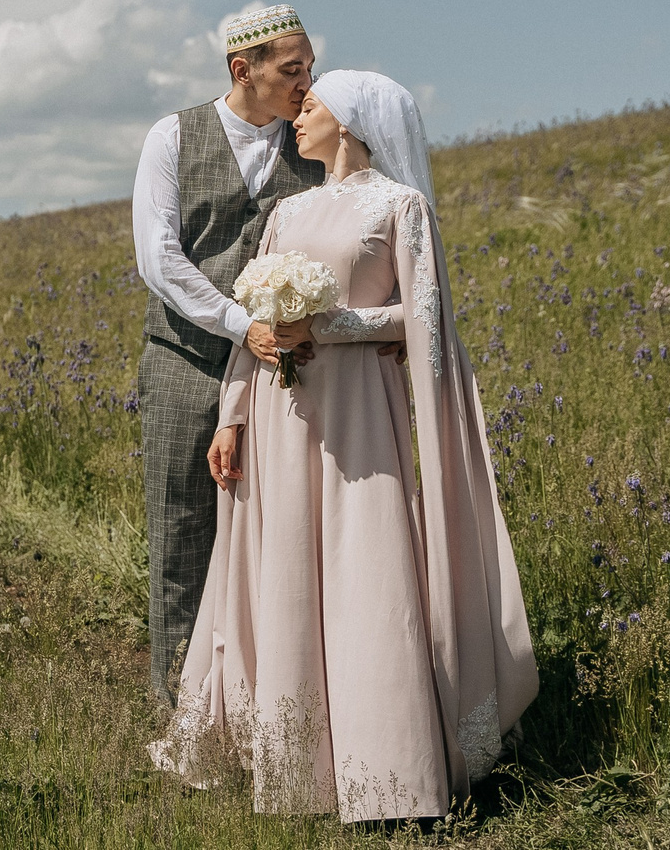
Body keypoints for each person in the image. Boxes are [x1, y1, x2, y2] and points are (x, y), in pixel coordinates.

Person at [150, 69, 540, 822]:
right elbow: (254, 323)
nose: (300, 113)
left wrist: (331, 327)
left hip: (363, 414)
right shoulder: (287, 212)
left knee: (368, 569)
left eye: (315, 103)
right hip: (280, 412)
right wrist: (232, 412)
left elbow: (422, 317)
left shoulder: (402, 206)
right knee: (288, 569)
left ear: (354, 120)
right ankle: (296, 774)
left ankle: (389, 776)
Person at [132, 2, 327, 706]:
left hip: (282, 369)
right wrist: (236, 322)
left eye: (310, 66)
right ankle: (177, 705)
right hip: (184, 358)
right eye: (292, 68)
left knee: (277, 535)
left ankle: (264, 709)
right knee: (182, 531)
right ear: (243, 70)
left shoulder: (313, 143)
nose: (308, 81)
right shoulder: (173, 136)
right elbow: (158, 255)